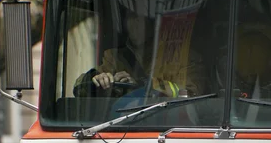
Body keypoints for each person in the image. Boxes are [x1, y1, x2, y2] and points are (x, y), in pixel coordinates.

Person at [74, 9, 207, 100]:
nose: (135, 24)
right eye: (131, 17)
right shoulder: (114, 58)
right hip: (121, 129)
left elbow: (192, 96)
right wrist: (95, 81)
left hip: (168, 129)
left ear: (154, 22)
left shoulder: (185, 57)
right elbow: (80, 90)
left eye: (141, 17)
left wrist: (142, 86)